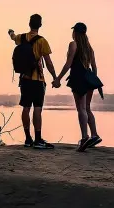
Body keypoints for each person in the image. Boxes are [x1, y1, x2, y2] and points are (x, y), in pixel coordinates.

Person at [8, 14, 57, 149]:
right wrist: (55, 77)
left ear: (29, 24)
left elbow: (13, 37)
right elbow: (48, 62)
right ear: (40, 25)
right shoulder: (42, 41)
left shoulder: (21, 38)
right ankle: (38, 139)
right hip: (37, 80)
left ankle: (27, 138)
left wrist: (11, 32)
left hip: (24, 79)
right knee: (37, 108)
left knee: (26, 107)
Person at [52, 22, 102, 152]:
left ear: (75, 32)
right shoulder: (89, 48)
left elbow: (68, 64)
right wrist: (92, 81)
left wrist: (58, 79)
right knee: (87, 108)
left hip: (78, 78)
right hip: (89, 78)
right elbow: (95, 67)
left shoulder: (73, 44)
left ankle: (85, 138)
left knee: (81, 109)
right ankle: (94, 135)